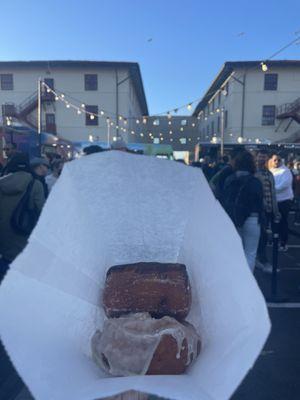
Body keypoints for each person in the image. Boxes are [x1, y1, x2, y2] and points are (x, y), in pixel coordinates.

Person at [0, 153, 45, 282]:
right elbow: (42, 211)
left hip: (3, 236)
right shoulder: (35, 184)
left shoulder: (1, 183)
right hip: (24, 232)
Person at [223, 151, 263, 272]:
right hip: (252, 218)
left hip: (234, 218)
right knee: (250, 253)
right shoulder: (255, 181)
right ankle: (248, 281)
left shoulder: (229, 179)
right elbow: (260, 201)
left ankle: (235, 276)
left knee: (236, 251)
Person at [255, 150, 280, 272]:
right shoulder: (254, 173)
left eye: (264, 157)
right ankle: (262, 260)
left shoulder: (269, 174)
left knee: (265, 237)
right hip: (259, 210)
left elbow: (273, 193)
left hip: (269, 210)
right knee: (262, 236)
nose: (261, 159)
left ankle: (261, 259)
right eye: (260, 157)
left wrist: (276, 211)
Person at [269, 154, 294, 251]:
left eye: (278, 160)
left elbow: (285, 184)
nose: (276, 162)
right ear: (272, 160)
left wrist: (272, 190)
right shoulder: (270, 171)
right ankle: (275, 239)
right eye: (275, 160)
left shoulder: (286, 171)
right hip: (274, 201)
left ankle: (283, 242)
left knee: (283, 221)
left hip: (284, 200)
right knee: (273, 221)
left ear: (281, 161)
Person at [292, 159, 300, 225]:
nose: (299, 166)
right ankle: (297, 220)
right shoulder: (292, 173)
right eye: (297, 164)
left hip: (296, 193)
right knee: (298, 208)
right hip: (296, 193)